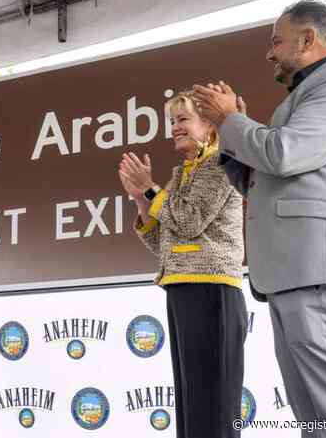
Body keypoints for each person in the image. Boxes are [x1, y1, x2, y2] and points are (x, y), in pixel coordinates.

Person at [193, 0, 326, 435]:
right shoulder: (303, 99)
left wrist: (234, 120)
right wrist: (230, 138)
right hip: (295, 274)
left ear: (308, 39)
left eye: (277, 41)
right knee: (316, 418)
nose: (270, 53)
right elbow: (264, 178)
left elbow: (283, 153)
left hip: (319, 272)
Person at [119, 90, 247, 438]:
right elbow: (164, 243)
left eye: (183, 119)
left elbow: (190, 222)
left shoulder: (221, 162)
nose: (175, 128)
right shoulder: (180, 174)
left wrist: (149, 190)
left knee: (214, 408)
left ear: (209, 125)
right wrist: (140, 198)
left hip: (212, 290)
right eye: (172, 121)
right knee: (193, 409)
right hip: (183, 290)